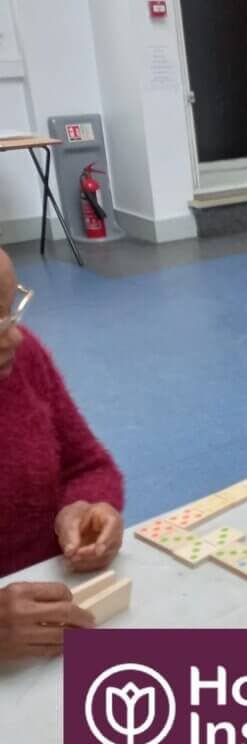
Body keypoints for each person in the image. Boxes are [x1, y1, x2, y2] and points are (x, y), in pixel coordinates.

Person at [0, 248, 124, 658]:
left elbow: (88, 464)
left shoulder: (22, 357)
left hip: (59, 606)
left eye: (11, 309)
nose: (15, 334)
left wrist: (82, 507)